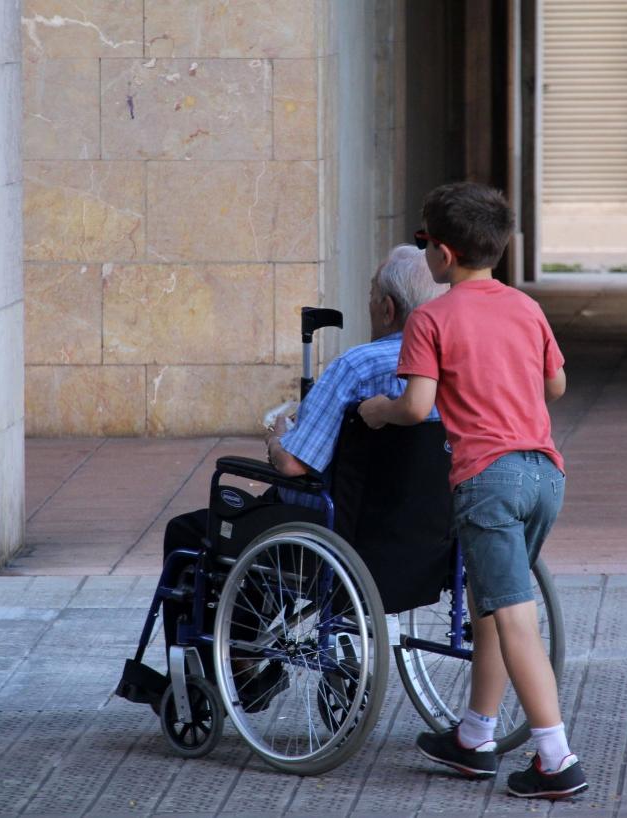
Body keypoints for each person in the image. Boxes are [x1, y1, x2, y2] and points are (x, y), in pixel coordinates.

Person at [358, 182, 584, 800]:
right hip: (545, 474)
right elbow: (555, 384)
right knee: (489, 602)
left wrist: (378, 410)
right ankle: (474, 736)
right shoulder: (524, 307)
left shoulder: (431, 318)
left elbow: (417, 406)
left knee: (511, 616)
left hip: (489, 479)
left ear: (444, 256)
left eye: (426, 241)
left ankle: (555, 759)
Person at [158, 244, 447, 707]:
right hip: (424, 541)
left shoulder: (356, 366)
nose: (369, 304)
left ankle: (238, 669)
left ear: (388, 308)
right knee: (267, 524)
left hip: (337, 539)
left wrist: (277, 437)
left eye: (371, 294)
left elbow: (294, 465)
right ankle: (245, 658)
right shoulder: (460, 368)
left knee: (196, 533)